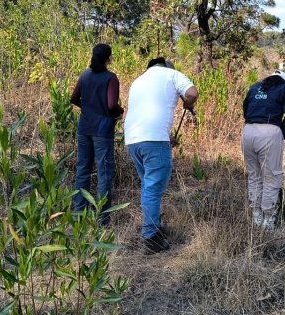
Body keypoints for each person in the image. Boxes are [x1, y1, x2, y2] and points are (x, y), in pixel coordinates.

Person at [124, 58, 199, 254]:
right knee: (153, 189)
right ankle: (151, 238)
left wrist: (165, 137)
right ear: (167, 67)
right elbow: (192, 93)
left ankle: (154, 226)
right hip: (153, 141)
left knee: (148, 186)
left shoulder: (138, 81)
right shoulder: (171, 74)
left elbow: (145, 114)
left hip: (133, 140)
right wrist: (186, 104)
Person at [70, 43, 124, 223]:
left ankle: (79, 213)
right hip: (102, 130)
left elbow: (73, 98)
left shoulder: (85, 75)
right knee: (104, 172)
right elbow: (110, 105)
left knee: (83, 169)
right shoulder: (111, 78)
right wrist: (119, 112)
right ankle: (102, 219)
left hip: (84, 127)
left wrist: (87, 108)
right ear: (109, 58)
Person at [241, 69, 285, 228]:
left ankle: (256, 215)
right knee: (272, 176)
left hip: (248, 131)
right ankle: (268, 219)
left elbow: (246, 109)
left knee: (254, 175)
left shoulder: (254, 88)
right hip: (269, 132)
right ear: (284, 81)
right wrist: (282, 133)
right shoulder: (284, 89)